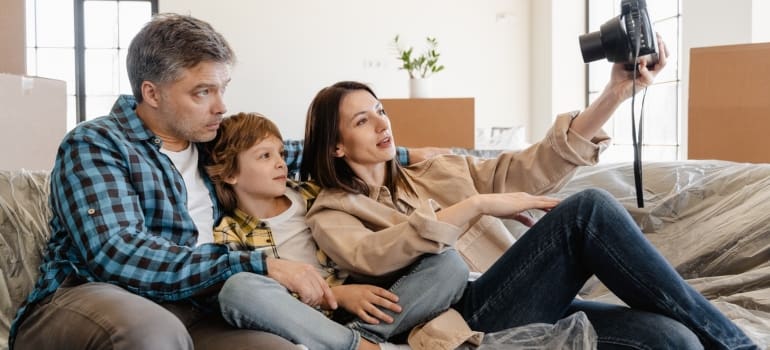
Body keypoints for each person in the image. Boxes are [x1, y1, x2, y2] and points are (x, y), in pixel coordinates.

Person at [7, 13, 434, 350]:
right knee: (152, 332)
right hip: (85, 298)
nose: (221, 105)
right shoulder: (97, 144)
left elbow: (303, 153)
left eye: (223, 88)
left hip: (190, 305)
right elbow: (119, 255)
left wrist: (402, 154)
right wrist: (259, 263)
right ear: (151, 93)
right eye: (202, 92)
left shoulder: (214, 145)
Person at [299, 47, 760, 349]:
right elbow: (375, 256)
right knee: (589, 209)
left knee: (674, 340)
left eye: (381, 110)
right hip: (462, 318)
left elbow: (529, 169)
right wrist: (474, 207)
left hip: (528, 294)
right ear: (335, 145)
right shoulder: (333, 210)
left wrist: (616, 94)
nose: (383, 124)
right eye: (362, 121)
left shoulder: (439, 169)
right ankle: (739, 347)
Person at [205, 112, 469, 350]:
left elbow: (354, 155)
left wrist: (407, 155)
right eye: (265, 156)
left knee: (450, 263)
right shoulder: (229, 234)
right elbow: (266, 296)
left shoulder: (315, 193)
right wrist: (337, 297)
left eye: (282, 154)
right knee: (238, 289)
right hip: (309, 316)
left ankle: (358, 340)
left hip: (365, 295)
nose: (281, 164)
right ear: (230, 174)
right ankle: (364, 346)